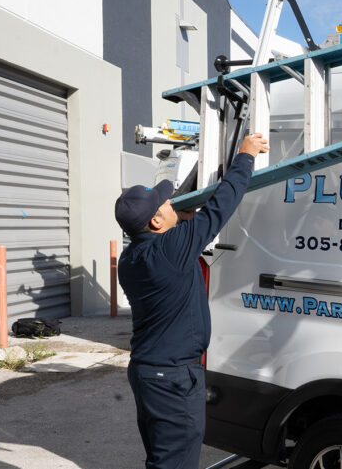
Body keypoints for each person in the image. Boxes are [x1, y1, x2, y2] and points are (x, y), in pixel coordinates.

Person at [114, 133, 268, 469]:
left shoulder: (132, 258)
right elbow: (220, 206)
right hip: (171, 378)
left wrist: (179, 219)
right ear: (155, 222)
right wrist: (245, 156)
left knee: (163, 459)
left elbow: (179, 229)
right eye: (165, 204)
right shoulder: (169, 250)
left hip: (148, 373)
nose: (172, 204)